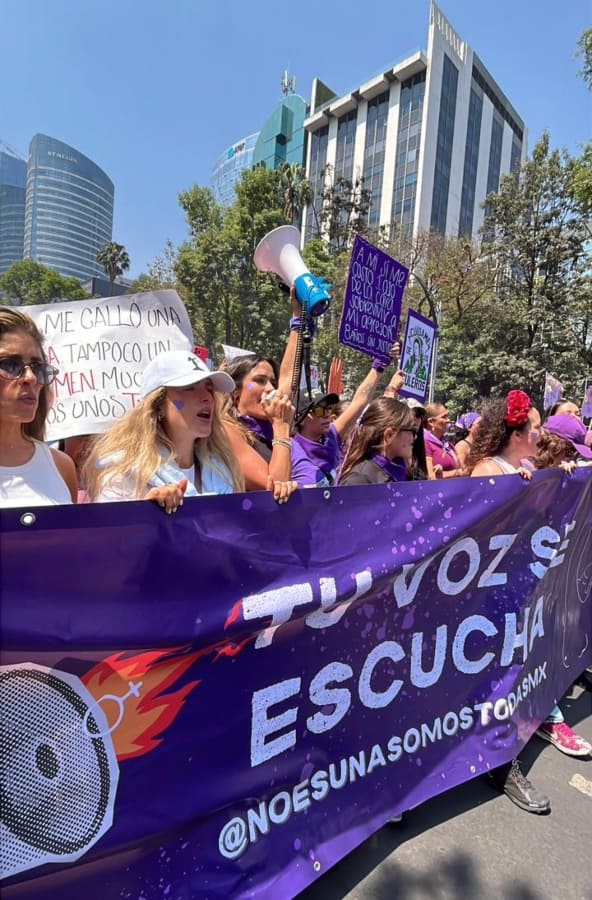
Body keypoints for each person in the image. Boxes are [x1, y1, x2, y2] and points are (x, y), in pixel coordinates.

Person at [84, 349, 244, 511]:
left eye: (209, 388)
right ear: (158, 405)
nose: (207, 397)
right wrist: (147, 510)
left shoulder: (222, 471)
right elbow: (108, 526)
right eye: (190, 388)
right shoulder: (126, 475)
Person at [0, 307, 77, 508]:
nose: (31, 378)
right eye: (9, 365)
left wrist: (147, 511)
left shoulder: (61, 466)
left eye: (37, 368)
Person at [338, 398, 417, 485]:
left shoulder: (398, 470)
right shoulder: (360, 480)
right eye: (412, 431)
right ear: (389, 435)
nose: (415, 437)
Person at [423, 402, 462, 479]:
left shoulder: (447, 444)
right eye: (444, 417)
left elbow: (459, 468)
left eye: (448, 416)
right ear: (431, 422)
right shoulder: (425, 443)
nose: (448, 420)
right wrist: (457, 473)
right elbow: (430, 477)